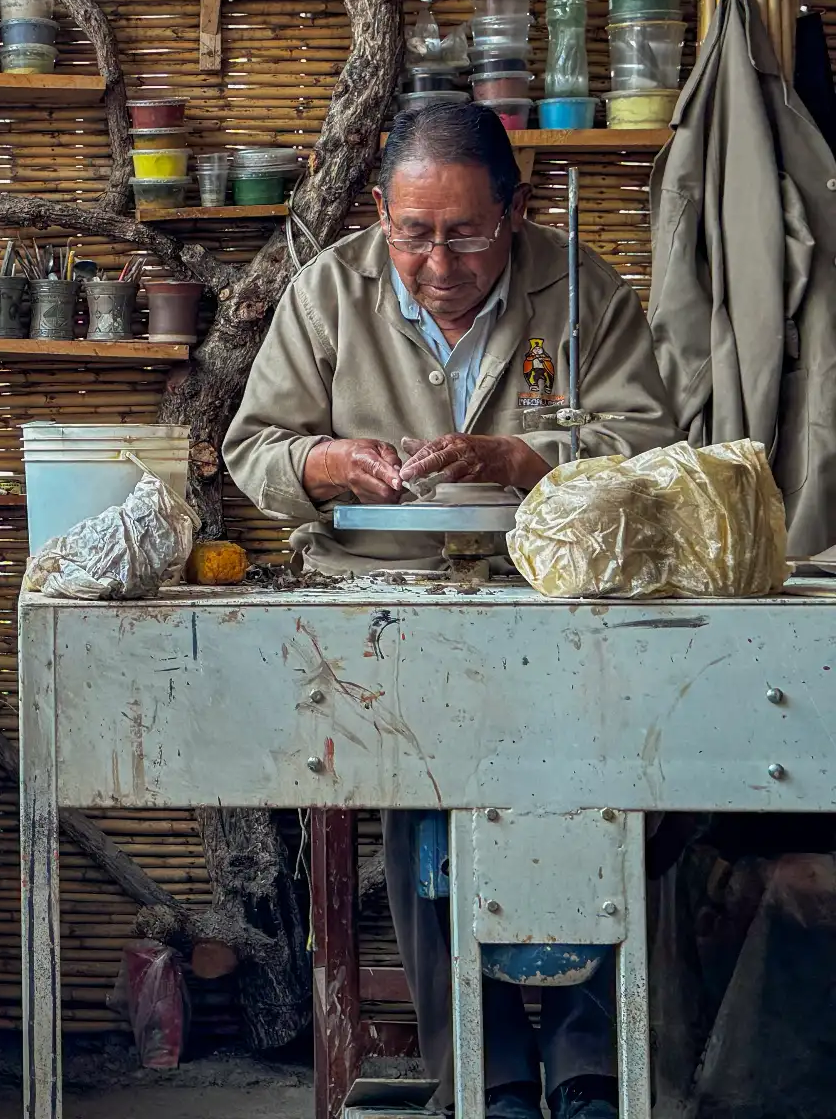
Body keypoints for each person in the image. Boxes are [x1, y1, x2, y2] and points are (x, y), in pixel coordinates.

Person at [223, 102, 681, 1119]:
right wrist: (322, 461)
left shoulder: (583, 289)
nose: (438, 264)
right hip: (384, 602)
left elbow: (650, 447)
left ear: (515, 211)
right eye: (414, 234)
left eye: (467, 234)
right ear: (380, 211)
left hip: (552, 600)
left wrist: (525, 458)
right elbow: (254, 446)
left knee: (602, 781)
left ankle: (588, 1064)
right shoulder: (330, 290)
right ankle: (483, 1071)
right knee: (423, 784)